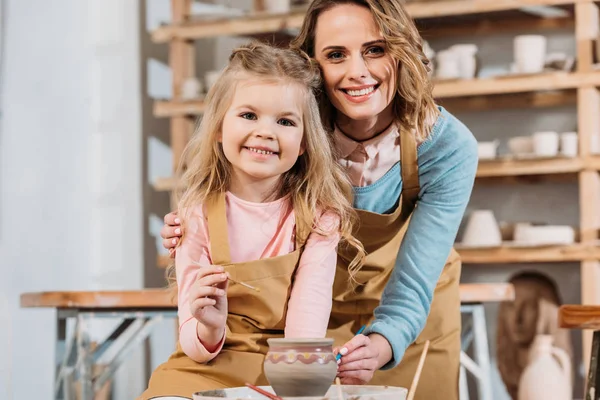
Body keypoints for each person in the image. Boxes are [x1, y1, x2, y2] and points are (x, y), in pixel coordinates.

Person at [160, 0, 478, 399]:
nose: (356, 71)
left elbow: (415, 277)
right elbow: (247, 196)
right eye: (335, 55)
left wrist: (385, 341)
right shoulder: (295, 125)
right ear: (314, 66)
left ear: (402, 53)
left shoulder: (446, 145)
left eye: (375, 49)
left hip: (409, 323)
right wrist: (194, 226)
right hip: (312, 319)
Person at [139, 41, 365, 399]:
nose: (265, 131)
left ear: (305, 141)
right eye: (248, 115)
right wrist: (209, 327)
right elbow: (191, 339)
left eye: (286, 121)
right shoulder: (195, 216)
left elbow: (307, 318)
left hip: (285, 366)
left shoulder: (318, 219)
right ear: (217, 127)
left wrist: (296, 385)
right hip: (205, 366)